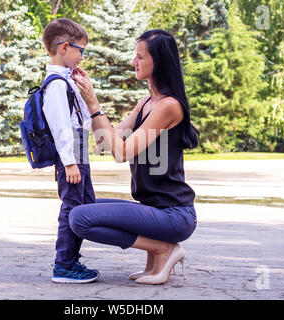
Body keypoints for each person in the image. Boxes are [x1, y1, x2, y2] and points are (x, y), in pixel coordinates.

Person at [70, 29, 199, 285]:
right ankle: (157, 252)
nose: (133, 62)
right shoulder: (147, 102)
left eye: (140, 57)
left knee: (80, 218)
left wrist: (95, 105)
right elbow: (105, 144)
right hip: (154, 210)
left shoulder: (168, 106)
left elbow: (122, 153)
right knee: (81, 204)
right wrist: (87, 104)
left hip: (174, 215)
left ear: (158, 62)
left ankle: (162, 249)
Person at [41, 18, 99, 283]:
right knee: (72, 208)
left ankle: (71, 260)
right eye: (80, 50)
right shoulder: (55, 85)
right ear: (64, 47)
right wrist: (69, 163)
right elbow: (61, 127)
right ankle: (63, 265)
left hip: (78, 154)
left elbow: (81, 119)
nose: (82, 56)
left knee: (84, 206)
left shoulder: (66, 80)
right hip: (71, 158)